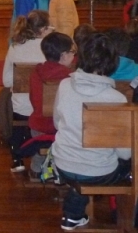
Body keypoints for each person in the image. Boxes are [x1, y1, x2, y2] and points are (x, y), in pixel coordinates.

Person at [52, 32, 130, 231]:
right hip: (98, 171)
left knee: (86, 165)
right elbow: (125, 153)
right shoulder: (115, 99)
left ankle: (74, 212)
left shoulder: (64, 85)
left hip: (62, 163)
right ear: (113, 62)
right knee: (128, 165)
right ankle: (126, 215)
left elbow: (56, 122)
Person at [3, 10, 52, 172]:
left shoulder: (15, 47)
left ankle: (17, 158)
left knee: (10, 103)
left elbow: (6, 81)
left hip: (21, 106)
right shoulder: (49, 49)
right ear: (44, 30)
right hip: (44, 106)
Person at [26, 32, 74, 179]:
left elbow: (33, 99)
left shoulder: (36, 72)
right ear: (64, 55)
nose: (74, 56)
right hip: (57, 128)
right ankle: (63, 171)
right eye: (73, 52)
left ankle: (36, 169)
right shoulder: (68, 77)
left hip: (37, 125)